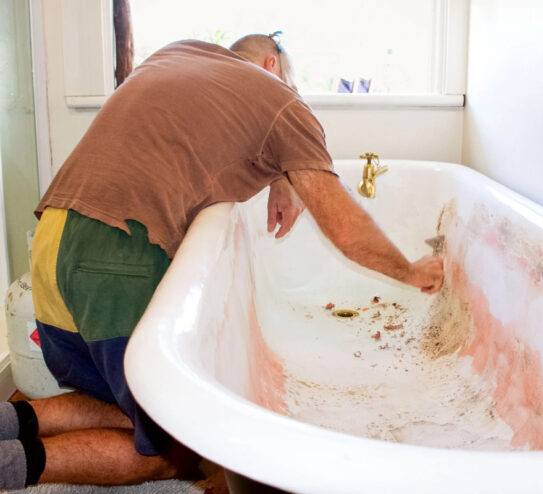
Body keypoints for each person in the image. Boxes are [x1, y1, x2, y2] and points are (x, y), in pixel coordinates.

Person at [0, 33, 444, 488]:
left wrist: (280, 177)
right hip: (116, 255)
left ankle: (5, 421)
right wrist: (411, 271)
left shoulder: (178, 53)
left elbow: (201, 143)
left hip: (53, 240)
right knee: (170, 452)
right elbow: (344, 225)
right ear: (272, 65)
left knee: (118, 404)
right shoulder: (283, 102)